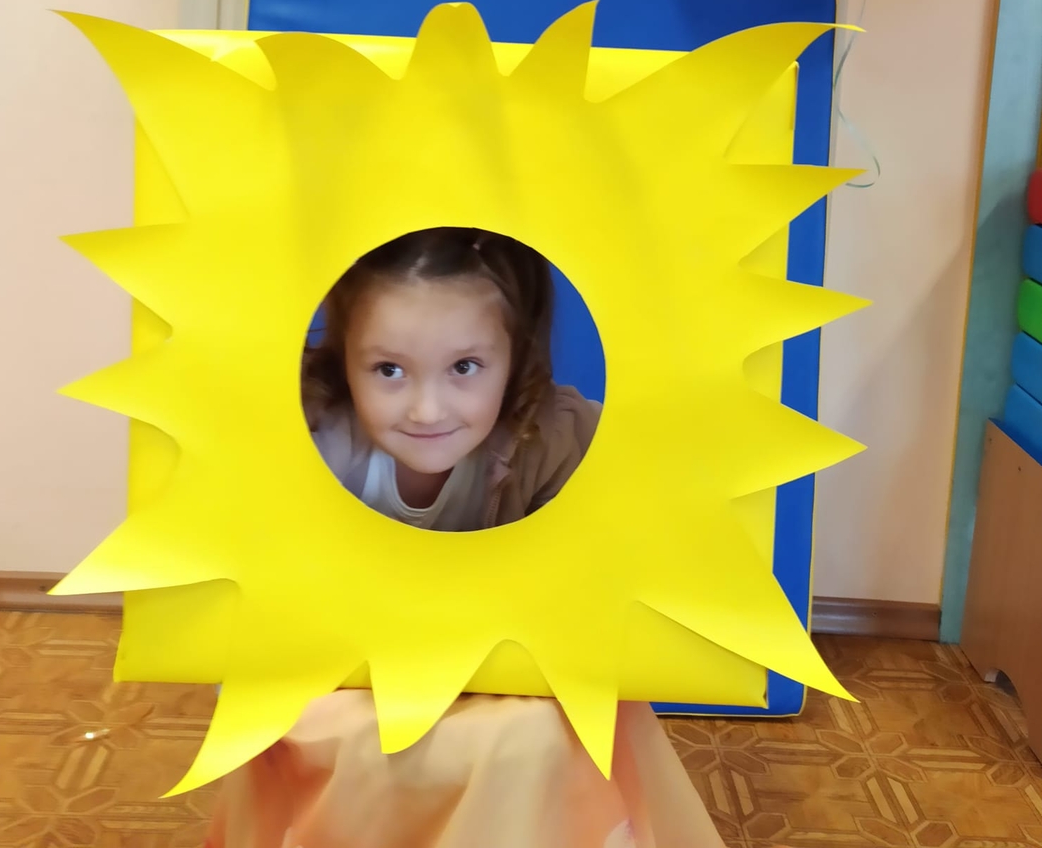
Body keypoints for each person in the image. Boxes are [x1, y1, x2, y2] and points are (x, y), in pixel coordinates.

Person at [205, 228, 727, 848]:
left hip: (502, 677)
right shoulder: (315, 447)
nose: (427, 410)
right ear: (346, 360)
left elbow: (653, 479)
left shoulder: (549, 438)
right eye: (389, 369)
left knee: (545, 733)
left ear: (514, 359)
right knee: (360, 738)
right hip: (347, 680)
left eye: (464, 367)